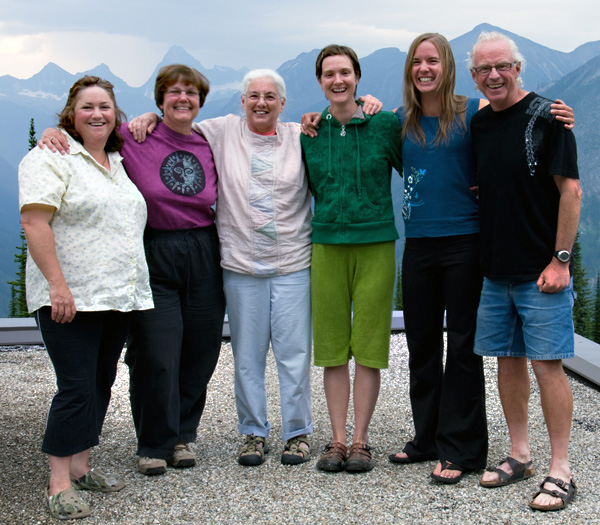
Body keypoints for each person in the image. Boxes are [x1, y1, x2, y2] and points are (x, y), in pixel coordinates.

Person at [39, 65, 226, 476]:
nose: (183, 99)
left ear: (200, 102)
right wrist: (54, 134)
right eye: (173, 92)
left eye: (191, 93)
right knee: (156, 351)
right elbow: (91, 132)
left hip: (203, 248)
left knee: (201, 349)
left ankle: (181, 436)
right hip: (154, 249)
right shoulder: (135, 136)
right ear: (159, 100)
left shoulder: (209, 141)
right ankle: (153, 443)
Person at [128, 69, 315, 466]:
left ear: (283, 104)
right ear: (241, 101)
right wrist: (148, 116)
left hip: (293, 262)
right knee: (246, 355)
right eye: (253, 96)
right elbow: (177, 119)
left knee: (294, 351)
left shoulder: (301, 137)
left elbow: (335, 129)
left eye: (270, 97)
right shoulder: (220, 131)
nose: (261, 103)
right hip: (239, 264)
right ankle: (253, 433)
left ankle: (297, 432)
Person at [19, 76, 153, 520]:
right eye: (87, 107)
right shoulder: (50, 157)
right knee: (75, 388)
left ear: (116, 113)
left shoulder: (117, 161)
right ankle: (58, 484)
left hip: (115, 294)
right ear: (70, 115)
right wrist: (57, 285)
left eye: (105, 107)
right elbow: (36, 223)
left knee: (99, 382)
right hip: (69, 296)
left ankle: (81, 466)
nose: (97, 114)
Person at [469, 31, 581, 512]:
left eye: (502, 66)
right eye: (483, 69)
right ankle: (520, 455)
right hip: (495, 271)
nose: (493, 75)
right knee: (507, 361)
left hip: (541, 272)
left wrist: (560, 261)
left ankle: (562, 469)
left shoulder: (550, 119)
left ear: (518, 67)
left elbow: (571, 193)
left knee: (547, 366)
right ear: (475, 76)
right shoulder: (480, 123)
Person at [301, 45, 403, 473]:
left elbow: (416, 166)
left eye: (345, 72)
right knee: (331, 347)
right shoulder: (309, 131)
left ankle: (361, 440)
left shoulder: (383, 125)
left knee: (369, 344)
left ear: (357, 77)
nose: (337, 80)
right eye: (329, 74)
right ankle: (337, 439)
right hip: (325, 245)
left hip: (376, 242)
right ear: (320, 81)